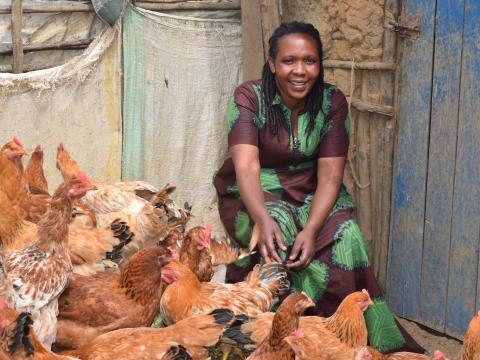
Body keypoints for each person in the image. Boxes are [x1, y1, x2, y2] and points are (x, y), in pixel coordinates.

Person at [214, 21, 424, 353]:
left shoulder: (331, 102)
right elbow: (246, 167)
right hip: (256, 189)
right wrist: (262, 217)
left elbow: (329, 176)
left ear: (319, 64)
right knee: (275, 236)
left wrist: (312, 229)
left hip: (315, 190)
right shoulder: (250, 97)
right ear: (272, 64)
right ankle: (269, 341)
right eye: (289, 61)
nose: (300, 71)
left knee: (346, 235)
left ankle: (337, 339)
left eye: (310, 61)